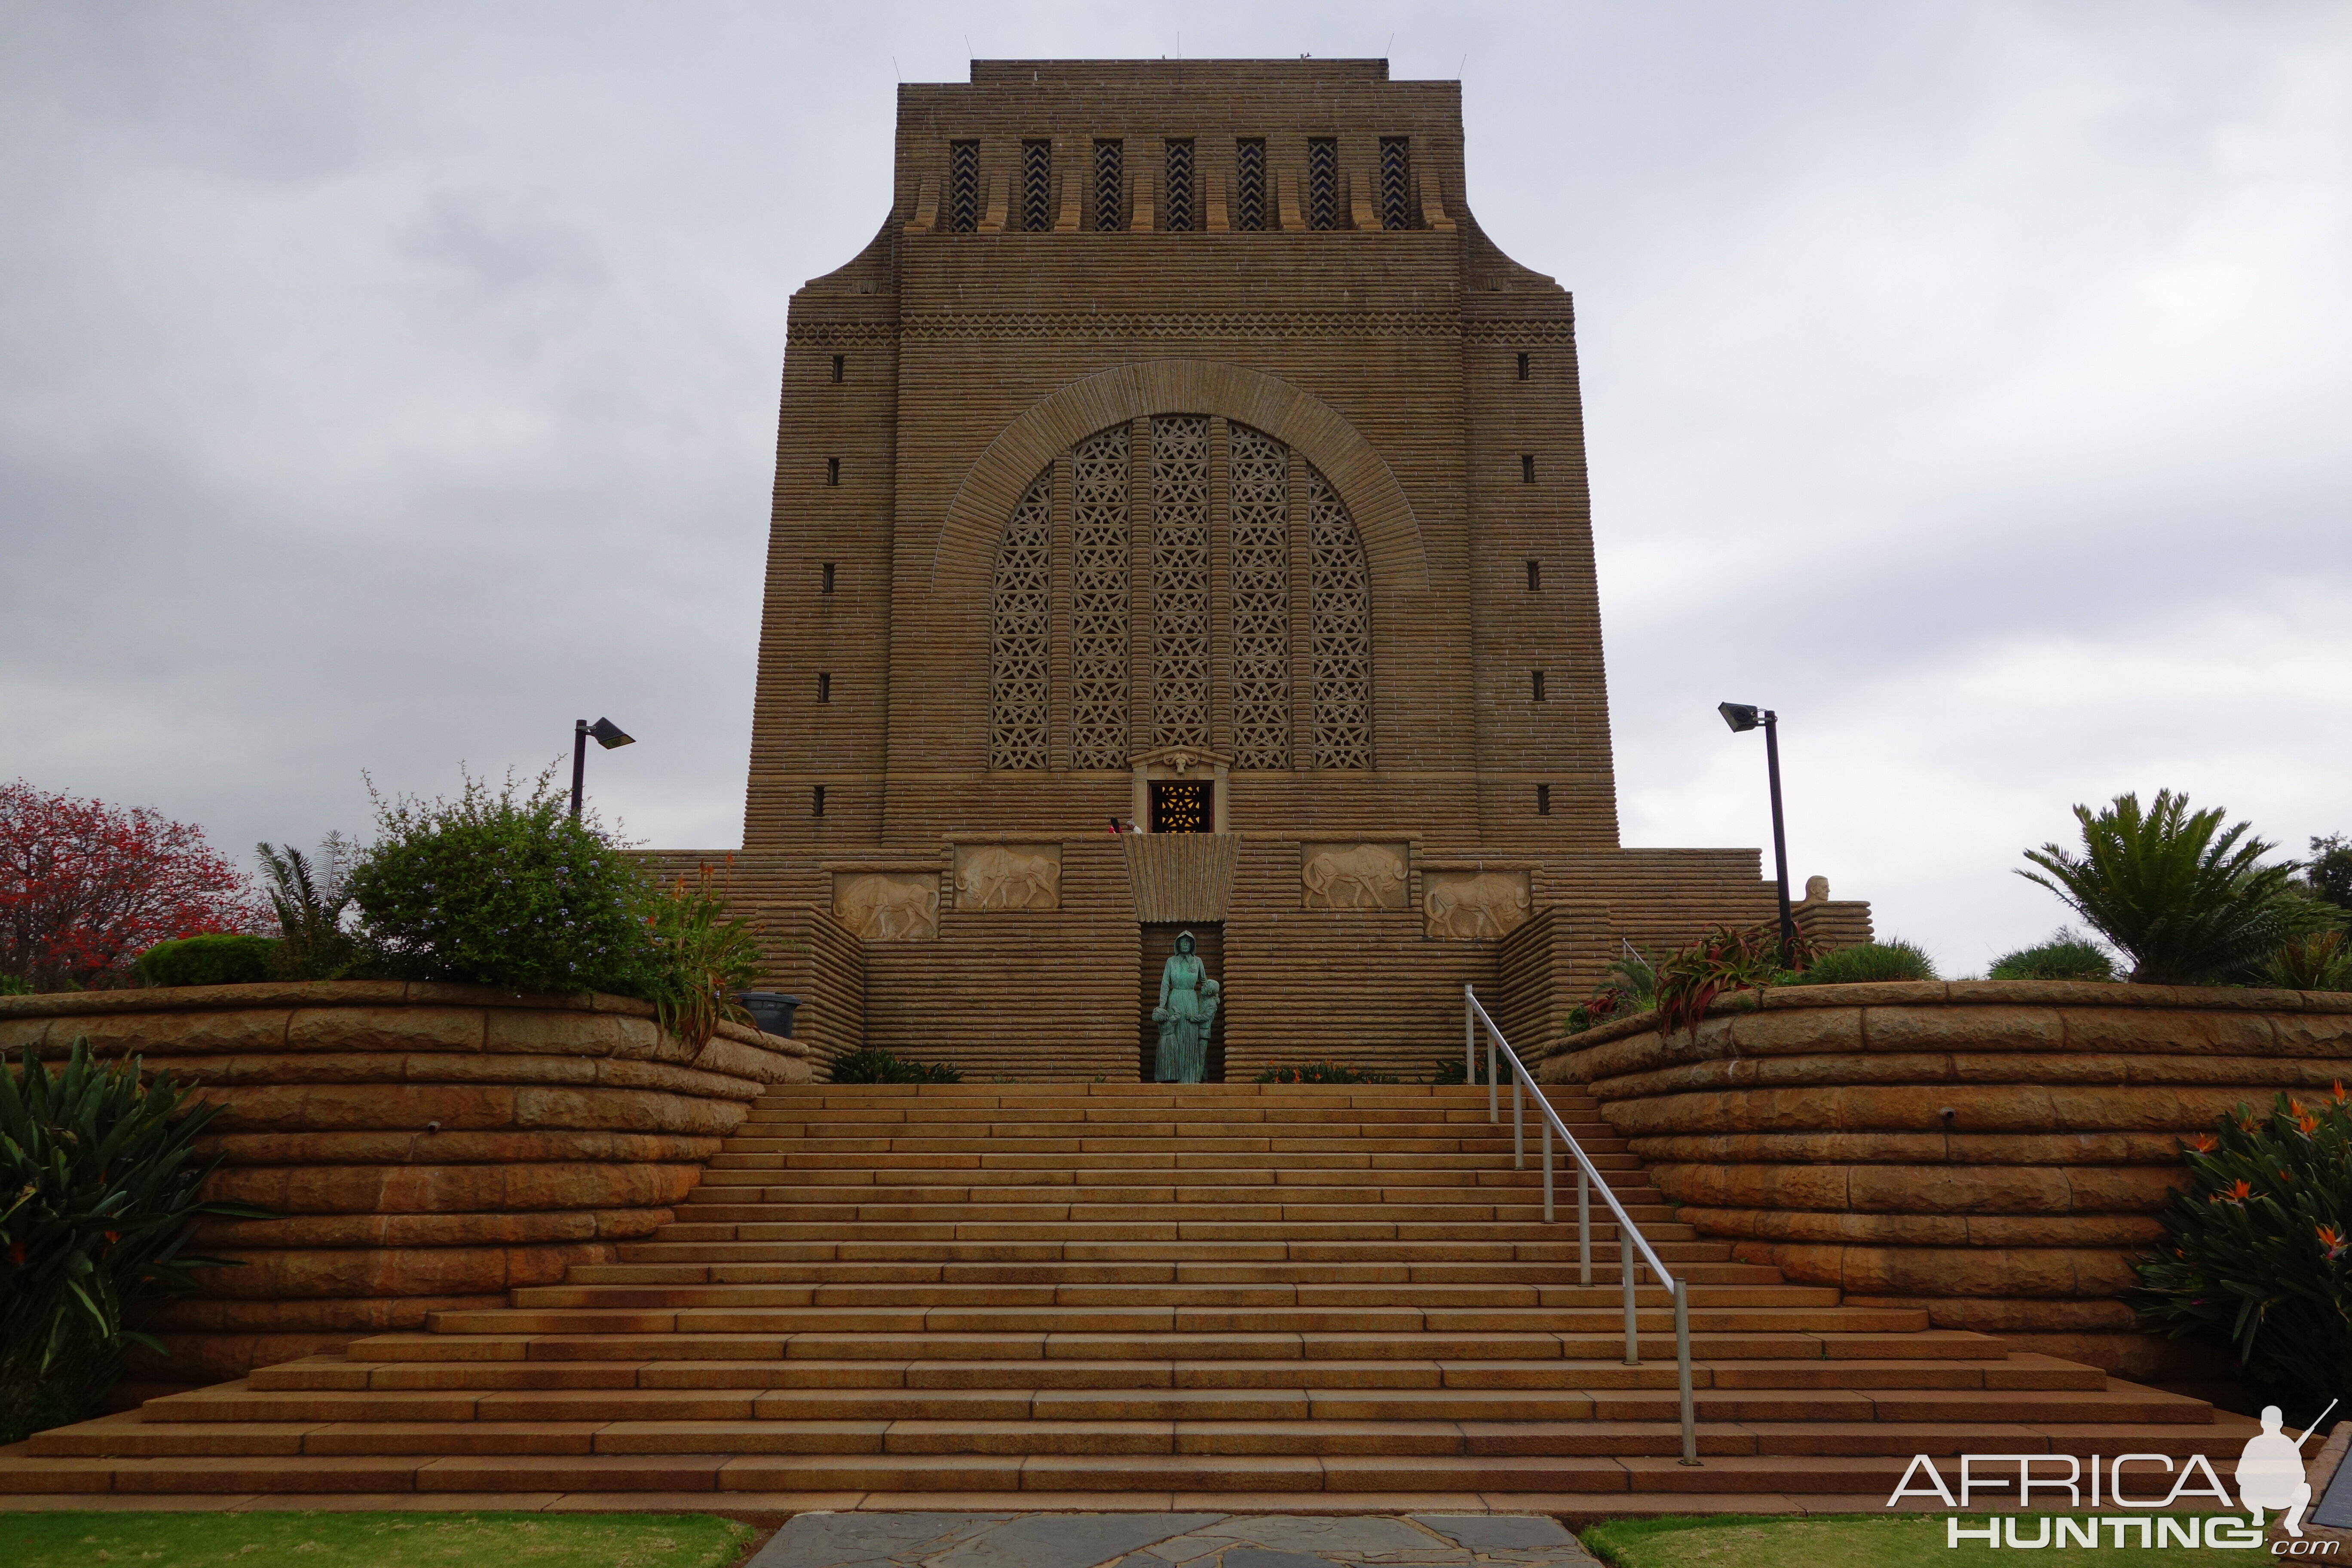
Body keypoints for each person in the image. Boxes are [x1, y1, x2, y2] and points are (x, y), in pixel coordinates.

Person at [1153, 930, 1221, 1083]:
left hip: (1191, 1000)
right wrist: (1162, 1006)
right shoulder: (1171, 962)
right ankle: (1173, 1075)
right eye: (1182, 942)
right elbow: (1165, 985)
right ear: (1177, 944)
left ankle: (1189, 1078)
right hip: (1175, 999)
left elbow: (1205, 983)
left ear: (1192, 945)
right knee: (1174, 1038)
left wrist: (1212, 1000)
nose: (1185, 945)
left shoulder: (1198, 962)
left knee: (1190, 1039)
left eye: (1188, 942)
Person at [2236, 1405, 2312, 1535]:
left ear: (2262, 1424)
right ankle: (2264, 1516)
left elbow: (2240, 1475)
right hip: (2269, 1495)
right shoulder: (2286, 1444)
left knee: (2304, 1488)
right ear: (2281, 1424)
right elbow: (2301, 1476)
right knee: (2305, 1489)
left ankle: (2287, 1522)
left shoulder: (2255, 1443)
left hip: (2270, 1495)